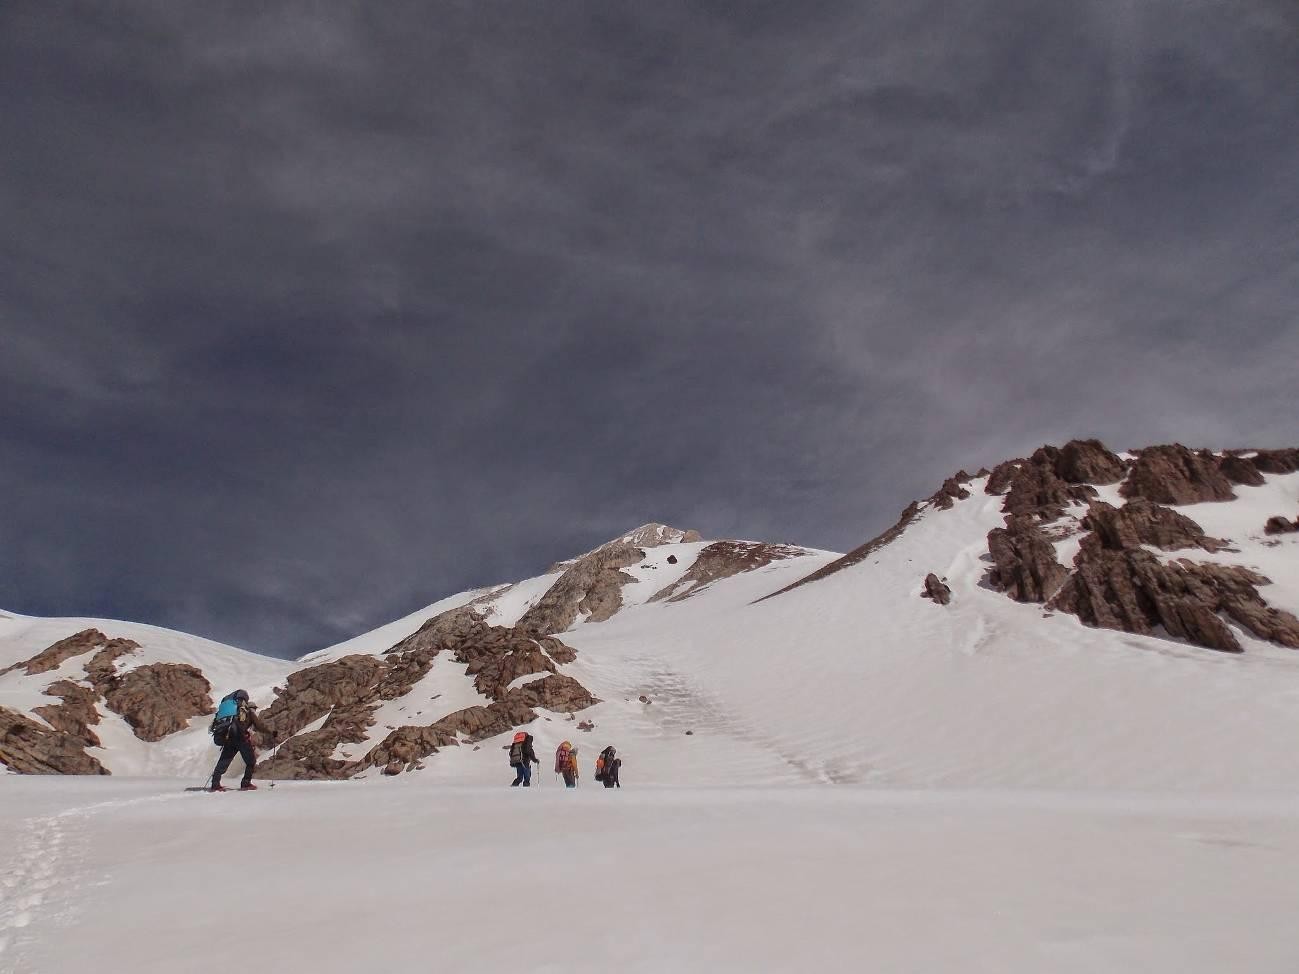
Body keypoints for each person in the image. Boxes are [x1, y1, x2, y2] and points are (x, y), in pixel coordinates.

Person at [209, 689, 272, 792]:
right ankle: (246, 783)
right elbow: (259, 726)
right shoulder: (249, 712)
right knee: (251, 761)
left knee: (224, 761)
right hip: (241, 738)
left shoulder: (234, 714)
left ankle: (215, 784)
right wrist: (271, 732)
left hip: (229, 737)